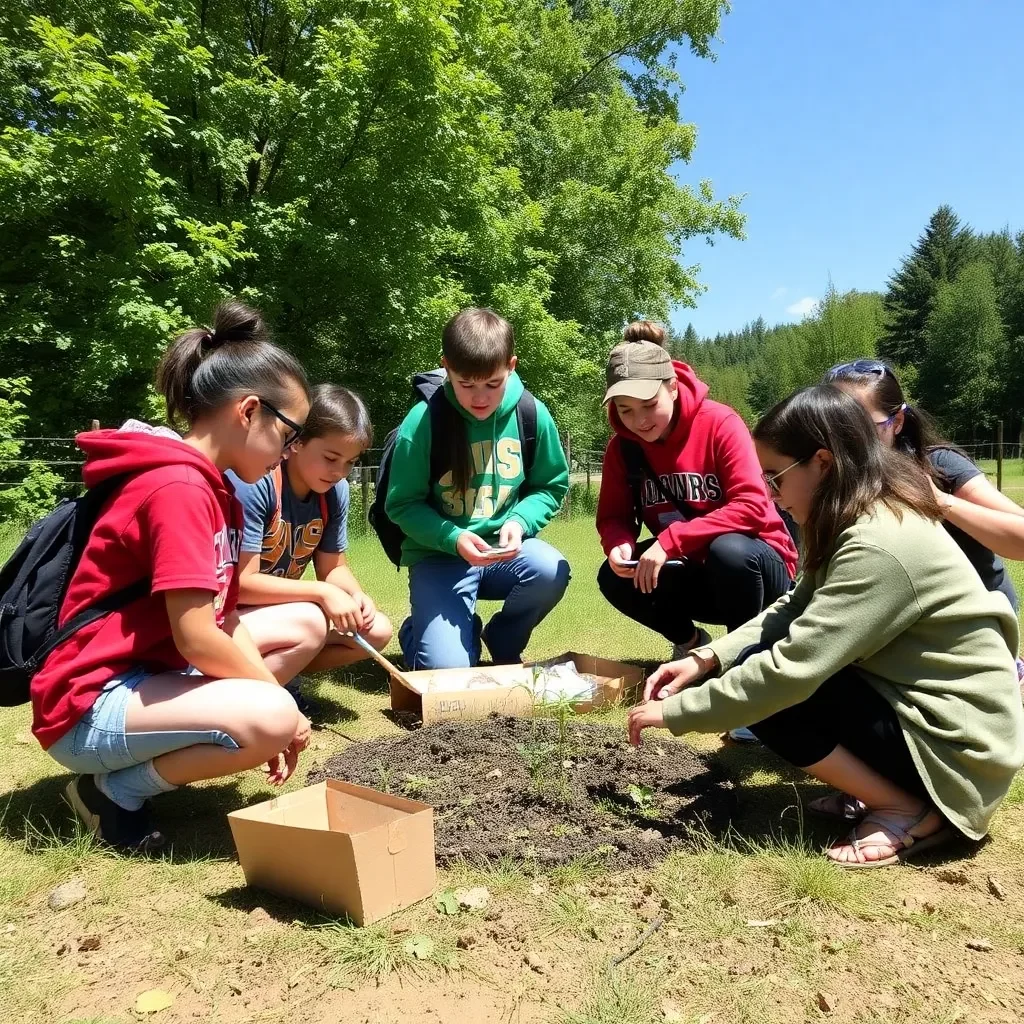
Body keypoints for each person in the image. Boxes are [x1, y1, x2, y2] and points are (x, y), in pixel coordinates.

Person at [627, 384, 1024, 868]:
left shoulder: (879, 543)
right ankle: (888, 786)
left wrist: (678, 712)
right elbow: (794, 606)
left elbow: (794, 668)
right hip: (928, 716)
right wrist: (707, 657)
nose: (770, 496)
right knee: (760, 672)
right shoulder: (857, 515)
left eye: (775, 477)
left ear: (823, 463)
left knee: (775, 694)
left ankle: (907, 806)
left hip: (960, 751)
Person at [31, 300, 316, 852]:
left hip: (142, 676)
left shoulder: (217, 490)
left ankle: (147, 764)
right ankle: (113, 792)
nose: (289, 452)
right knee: (276, 712)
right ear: (249, 411)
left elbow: (225, 617)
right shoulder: (178, 489)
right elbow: (197, 635)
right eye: (290, 433)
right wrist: (278, 711)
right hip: (88, 703)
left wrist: (269, 704)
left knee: (304, 624)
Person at [596, 321, 798, 663]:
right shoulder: (623, 448)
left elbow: (751, 506)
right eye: (625, 409)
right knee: (614, 577)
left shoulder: (721, 423)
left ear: (672, 387)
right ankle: (691, 647)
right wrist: (619, 545)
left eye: (648, 404)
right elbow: (614, 517)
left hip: (760, 569)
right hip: (697, 571)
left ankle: (743, 660)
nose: (639, 420)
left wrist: (670, 540)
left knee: (729, 550)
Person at [385, 307, 570, 669]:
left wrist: (519, 521)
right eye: (466, 384)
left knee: (551, 569)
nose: (480, 397)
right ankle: (421, 632)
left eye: (492, 384)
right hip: (440, 555)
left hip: (504, 553)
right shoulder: (423, 421)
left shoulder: (531, 412)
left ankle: (504, 640)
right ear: (446, 366)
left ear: (511, 366)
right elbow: (402, 505)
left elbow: (550, 485)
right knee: (446, 671)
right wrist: (453, 538)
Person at [228, 384, 393, 712]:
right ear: (296, 441)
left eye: (350, 462)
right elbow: (241, 584)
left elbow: (333, 568)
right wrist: (320, 594)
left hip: (278, 614)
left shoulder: (335, 492)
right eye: (331, 458)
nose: (339, 472)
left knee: (376, 630)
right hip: (231, 617)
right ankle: (245, 703)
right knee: (311, 621)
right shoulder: (258, 483)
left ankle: (282, 675)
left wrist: (354, 595)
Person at [824, 359, 1021, 614]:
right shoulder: (826, 479)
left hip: (978, 623)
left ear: (897, 422)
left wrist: (940, 502)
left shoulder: (939, 466)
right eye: (833, 427)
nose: (845, 440)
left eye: (862, 427)